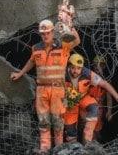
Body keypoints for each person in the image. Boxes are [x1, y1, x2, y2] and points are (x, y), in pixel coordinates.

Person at [10, 19, 80, 154]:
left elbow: (76, 40)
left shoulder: (63, 46)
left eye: (48, 33)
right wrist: (20, 74)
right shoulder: (36, 48)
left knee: (58, 122)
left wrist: (69, 24)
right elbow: (31, 62)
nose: (45, 36)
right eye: (43, 34)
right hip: (41, 90)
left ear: (53, 32)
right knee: (43, 122)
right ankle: (45, 149)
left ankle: (59, 149)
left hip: (57, 90)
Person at [63, 53, 118, 144]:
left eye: (78, 68)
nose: (75, 71)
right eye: (73, 68)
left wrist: (111, 107)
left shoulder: (89, 75)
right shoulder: (62, 75)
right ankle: (76, 145)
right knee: (75, 126)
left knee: (95, 128)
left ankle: (90, 145)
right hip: (73, 104)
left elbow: (107, 92)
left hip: (95, 106)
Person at [89, 55, 118, 140]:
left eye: (100, 65)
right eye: (96, 65)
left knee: (97, 127)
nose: (97, 67)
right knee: (88, 127)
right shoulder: (88, 77)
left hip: (99, 108)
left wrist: (109, 111)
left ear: (104, 66)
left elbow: (108, 97)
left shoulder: (106, 80)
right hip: (87, 106)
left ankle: (96, 143)